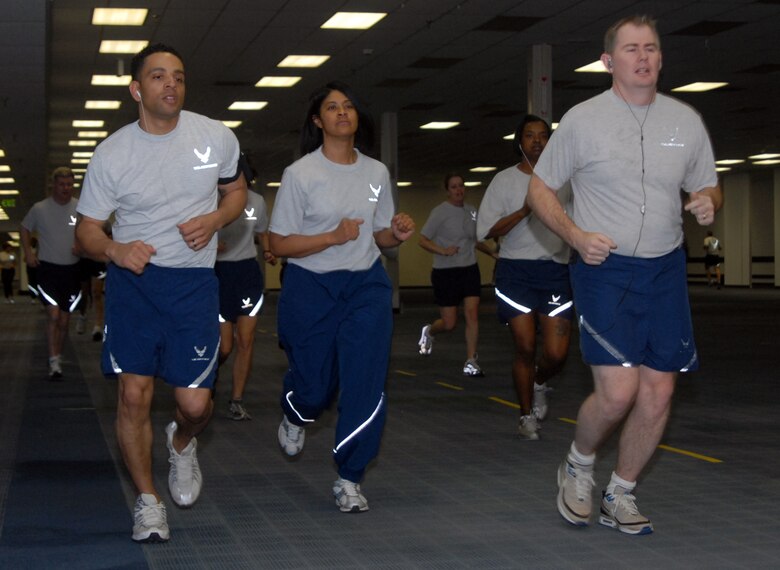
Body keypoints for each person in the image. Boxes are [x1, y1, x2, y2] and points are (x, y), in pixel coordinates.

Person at [527, 15, 721, 535]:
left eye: (652, 48)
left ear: (660, 58)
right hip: (604, 269)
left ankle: (622, 491)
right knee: (618, 393)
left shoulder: (684, 122)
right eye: (632, 49)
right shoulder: (583, 121)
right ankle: (579, 463)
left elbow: (709, 185)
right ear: (609, 61)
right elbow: (540, 190)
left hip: (666, 271)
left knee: (658, 392)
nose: (644, 57)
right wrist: (575, 236)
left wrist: (706, 202)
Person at [74, 43, 247, 543]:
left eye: (178, 76)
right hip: (135, 285)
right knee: (133, 395)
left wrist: (215, 218)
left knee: (194, 406)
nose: (170, 84)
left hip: (193, 285)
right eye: (157, 76)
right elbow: (86, 230)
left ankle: (182, 441)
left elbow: (235, 192)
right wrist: (113, 248)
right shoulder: (113, 153)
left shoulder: (215, 137)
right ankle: (148, 502)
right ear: (136, 90)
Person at [269, 81, 415, 514]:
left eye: (349, 106)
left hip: (366, 286)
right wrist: (332, 236)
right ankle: (296, 412)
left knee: (365, 380)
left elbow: (381, 234)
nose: (342, 112)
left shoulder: (375, 172)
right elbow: (278, 243)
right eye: (332, 107)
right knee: (315, 387)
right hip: (311, 287)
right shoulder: (301, 174)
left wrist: (398, 233)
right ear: (318, 121)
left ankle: (350, 476)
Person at [476, 115, 572, 440]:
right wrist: (525, 210)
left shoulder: (565, 181)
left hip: (555, 271)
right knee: (526, 346)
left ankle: (539, 381)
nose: (537, 141)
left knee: (557, 353)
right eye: (530, 136)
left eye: (543, 136)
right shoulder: (503, 181)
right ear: (520, 142)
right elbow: (486, 231)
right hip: (515, 271)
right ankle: (525, 414)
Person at [215, 155, 276, 421]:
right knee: (225, 346)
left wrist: (270, 251)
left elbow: (263, 232)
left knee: (245, 340)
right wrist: (209, 245)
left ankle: (236, 399)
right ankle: (207, 380)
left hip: (247, 274)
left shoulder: (257, 201)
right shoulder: (211, 200)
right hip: (218, 275)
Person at [417, 173, 495, 376]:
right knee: (449, 323)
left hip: (469, 269)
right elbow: (423, 239)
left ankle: (471, 361)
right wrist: (442, 251)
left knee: (472, 314)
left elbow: (475, 240)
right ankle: (429, 331)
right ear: (447, 190)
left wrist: (493, 253)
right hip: (446, 272)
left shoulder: (471, 212)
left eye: (461, 186)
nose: (459, 190)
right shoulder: (440, 212)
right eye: (453, 187)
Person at [21, 166, 82, 379]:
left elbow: (87, 231)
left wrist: (82, 246)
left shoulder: (79, 208)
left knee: (65, 321)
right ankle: (53, 359)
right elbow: (25, 228)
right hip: (47, 269)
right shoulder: (39, 208)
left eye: (69, 184)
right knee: (53, 315)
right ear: (54, 185)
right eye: (62, 184)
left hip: (72, 269)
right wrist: (28, 252)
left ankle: (58, 354)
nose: (66, 188)